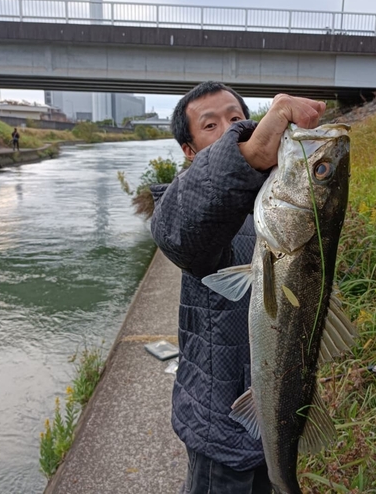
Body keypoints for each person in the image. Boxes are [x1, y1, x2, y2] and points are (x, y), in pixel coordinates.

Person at [150, 81, 326, 494]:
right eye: (211, 125)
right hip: (221, 432)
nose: (231, 127)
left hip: (277, 420)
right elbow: (177, 231)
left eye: (236, 118)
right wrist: (246, 154)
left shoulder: (272, 203)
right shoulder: (191, 212)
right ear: (189, 151)